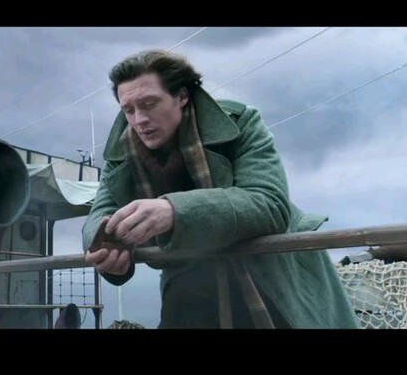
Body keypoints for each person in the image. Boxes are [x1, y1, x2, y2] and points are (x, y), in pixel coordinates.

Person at [82, 49, 358, 329]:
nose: (139, 120)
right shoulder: (120, 153)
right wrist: (105, 247)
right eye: (128, 110)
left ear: (182, 96)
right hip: (189, 282)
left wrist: (174, 212)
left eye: (150, 104)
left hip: (272, 272)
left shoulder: (239, 122)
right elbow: (98, 215)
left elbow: (269, 203)